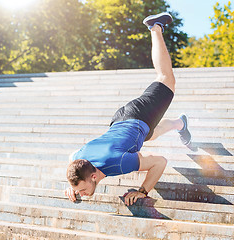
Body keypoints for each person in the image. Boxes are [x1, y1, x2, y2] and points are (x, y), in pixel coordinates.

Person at [65, 12, 191, 206]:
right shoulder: (80, 159)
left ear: (93, 176)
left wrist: (142, 191)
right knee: (150, 133)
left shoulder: (121, 163)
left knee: (165, 78)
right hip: (122, 122)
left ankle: (155, 27)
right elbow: (72, 157)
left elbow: (160, 162)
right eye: (78, 190)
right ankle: (180, 123)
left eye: (81, 189)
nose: (81, 193)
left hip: (138, 116)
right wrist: (72, 187)